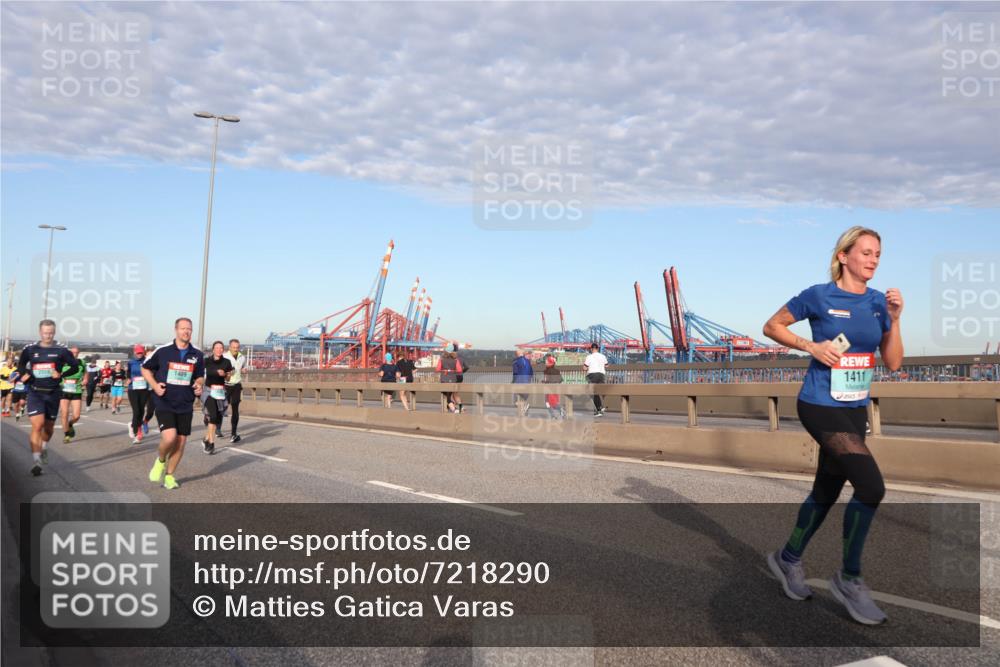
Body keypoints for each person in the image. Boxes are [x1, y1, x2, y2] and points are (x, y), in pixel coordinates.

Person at [762, 226, 903, 626]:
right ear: (844, 256)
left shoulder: (879, 303)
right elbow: (771, 326)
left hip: (854, 408)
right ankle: (850, 578)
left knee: (827, 489)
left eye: (878, 253)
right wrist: (811, 346)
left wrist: (894, 320)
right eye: (866, 252)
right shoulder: (819, 296)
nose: (873, 259)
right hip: (819, 404)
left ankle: (787, 559)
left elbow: (892, 363)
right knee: (872, 486)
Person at [142, 317, 205, 490]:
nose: (186, 331)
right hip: (165, 400)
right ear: (176, 330)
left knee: (181, 441)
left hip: (185, 402)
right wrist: (155, 386)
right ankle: (160, 460)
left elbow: (200, 375)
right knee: (170, 437)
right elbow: (145, 368)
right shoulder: (163, 351)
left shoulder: (197, 354)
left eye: (189, 329)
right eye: (183, 328)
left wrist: (199, 384)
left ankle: (169, 476)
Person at [17, 319, 80, 476]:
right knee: (37, 425)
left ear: (54, 332)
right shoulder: (30, 349)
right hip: (35, 391)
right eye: (45, 333)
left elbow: (75, 366)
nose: (48, 336)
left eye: (51, 333)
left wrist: (61, 374)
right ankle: (37, 462)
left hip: (53, 393)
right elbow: (20, 365)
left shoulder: (61, 350)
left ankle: (44, 447)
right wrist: (25, 374)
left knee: (48, 428)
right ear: (40, 332)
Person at [201, 341, 233, 455]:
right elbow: (203, 373)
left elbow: (229, 378)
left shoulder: (227, 362)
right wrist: (215, 372)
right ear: (213, 349)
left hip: (220, 392)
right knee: (213, 416)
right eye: (217, 347)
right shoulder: (207, 361)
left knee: (217, 419)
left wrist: (225, 375)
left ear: (223, 350)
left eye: (221, 348)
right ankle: (211, 443)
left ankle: (206, 438)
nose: (219, 350)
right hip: (209, 391)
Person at [58, 346, 87, 443]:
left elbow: (85, 372)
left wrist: (86, 379)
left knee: (77, 416)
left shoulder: (82, 362)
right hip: (64, 390)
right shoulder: (63, 362)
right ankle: (66, 435)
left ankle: (70, 424)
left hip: (76, 390)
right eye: (73, 352)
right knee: (64, 413)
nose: (75, 354)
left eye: (77, 353)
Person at [223, 338, 246, 442]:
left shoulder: (242, 357)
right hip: (225, 385)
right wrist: (226, 374)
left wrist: (243, 370)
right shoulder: (224, 356)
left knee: (235, 409)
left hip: (236, 385)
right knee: (222, 408)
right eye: (233, 347)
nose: (235, 349)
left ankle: (233, 434)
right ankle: (212, 422)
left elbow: (242, 368)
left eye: (237, 347)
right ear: (229, 347)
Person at [127, 344, 151, 443]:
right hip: (133, 388)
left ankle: (133, 426)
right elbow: (128, 372)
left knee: (141, 411)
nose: (139, 354)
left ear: (143, 352)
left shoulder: (147, 361)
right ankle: (136, 432)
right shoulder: (131, 362)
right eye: (138, 352)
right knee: (136, 411)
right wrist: (128, 379)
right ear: (134, 352)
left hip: (144, 389)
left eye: (141, 352)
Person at [583, 343, 608, 417]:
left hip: (592, 375)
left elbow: (584, 368)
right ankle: (601, 407)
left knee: (593, 393)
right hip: (601, 375)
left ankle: (599, 410)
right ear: (598, 348)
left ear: (591, 349)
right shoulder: (603, 356)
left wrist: (588, 368)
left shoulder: (589, 357)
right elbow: (607, 365)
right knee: (600, 391)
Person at [543, 354, 565, 420]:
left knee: (549, 403)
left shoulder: (546, 371)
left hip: (549, 389)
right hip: (556, 389)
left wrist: (544, 382)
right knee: (553, 403)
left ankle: (556, 413)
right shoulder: (557, 371)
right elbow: (561, 379)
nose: (545, 363)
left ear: (550, 363)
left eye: (546, 362)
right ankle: (557, 413)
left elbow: (546, 380)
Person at [512, 349, 533, 416]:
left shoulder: (516, 361)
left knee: (515, 398)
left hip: (519, 381)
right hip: (527, 381)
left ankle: (523, 408)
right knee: (523, 397)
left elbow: (515, 373)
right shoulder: (528, 362)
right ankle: (524, 408)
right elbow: (531, 373)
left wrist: (513, 382)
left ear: (517, 354)